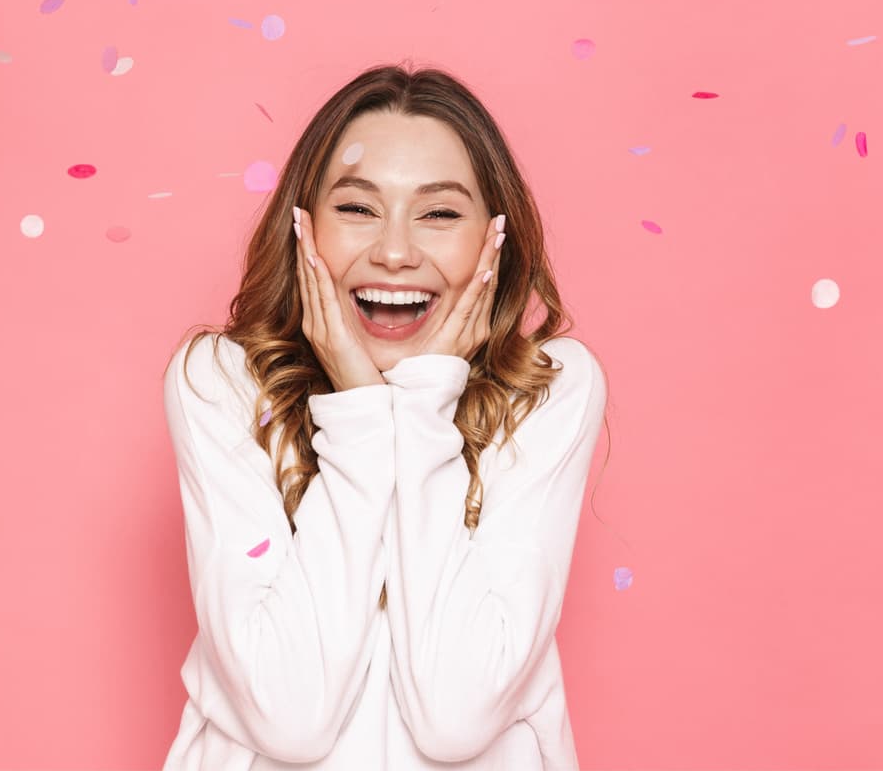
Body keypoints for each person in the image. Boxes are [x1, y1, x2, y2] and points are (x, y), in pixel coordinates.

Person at [160, 61, 610, 770]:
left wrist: (426, 403)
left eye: (438, 213)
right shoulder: (222, 383)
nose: (395, 253)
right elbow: (290, 719)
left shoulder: (549, 393)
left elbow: (456, 719)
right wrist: (362, 410)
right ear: (301, 228)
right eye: (358, 208)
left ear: (495, 239)